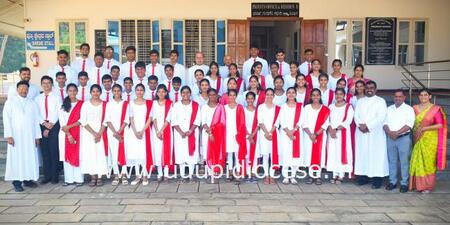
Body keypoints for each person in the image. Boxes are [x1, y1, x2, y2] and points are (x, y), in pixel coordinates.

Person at [3, 81, 41, 192]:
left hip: (29, 136)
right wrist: (9, 135)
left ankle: (27, 179)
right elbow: (6, 119)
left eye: (26, 89)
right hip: (16, 136)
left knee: (29, 157)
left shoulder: (32, 103)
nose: (24, 90)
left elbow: (36, 121)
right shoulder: (10, 102)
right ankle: (17, 182)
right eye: (21, 88)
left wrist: (37, 136)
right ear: (17, 89)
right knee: (17, 158)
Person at [409, 89, 447, 193]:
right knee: (416, 160)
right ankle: (416, 185)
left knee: (428, 163)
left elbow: (440, 124)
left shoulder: (435, 109)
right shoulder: (414, 108)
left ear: (430, 96)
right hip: (417, 137)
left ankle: (427, 186)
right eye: (421, 95)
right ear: (418, 97)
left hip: (430, 140)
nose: (423, 97)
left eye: (426, 95)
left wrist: (424, 129)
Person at [354, 81, 388, 189]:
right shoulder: (360, 101)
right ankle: (363, 177)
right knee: (362, 154)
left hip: (375, 133)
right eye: (367, 87)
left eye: (371, 87)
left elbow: (381, 117)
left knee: (375, 155)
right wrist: (360, 126)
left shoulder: (380, 101)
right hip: (361, 132)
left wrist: (368, 126)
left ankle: (377, 179)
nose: (369, 89)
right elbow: (356, 115)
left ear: (375, 89)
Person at [383, 89, 415, 193]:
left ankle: (404, 183)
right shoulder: (389, 109)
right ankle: (392, 182)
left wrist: (396, 133)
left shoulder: (409, 109)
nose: (397, 98)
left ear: (404, 97)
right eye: (396, 96)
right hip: (391, 138)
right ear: (394, 97)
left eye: (400, 96)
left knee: (404, 162)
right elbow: (384, 123)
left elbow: (409, 124)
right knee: (392, 161)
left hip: (403, 138)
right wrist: (390, 133)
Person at [79, 84, 109, 186]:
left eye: (97, 91)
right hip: (88, 133)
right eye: (93, 91)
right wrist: (94, 133)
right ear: (90, 92)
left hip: (101, 132)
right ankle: (93, 176)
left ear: (101, 92)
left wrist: (99, 133)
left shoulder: (105, 104)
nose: (95, 93)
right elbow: (83, 120)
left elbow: (106, 120)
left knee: (100, 154)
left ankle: (100, 176)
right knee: (90, 154)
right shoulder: (86, 104)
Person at [35, 76, 62, 184]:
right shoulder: (37, 98)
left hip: (54, 125)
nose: (46, 85)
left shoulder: (57, 97)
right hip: (41, 125)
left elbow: (57, 111)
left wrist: (50, 125)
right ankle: (47, 176)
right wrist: (43, 123)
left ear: (52, 84)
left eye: (48, 83)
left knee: (54, 151)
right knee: (44, 152)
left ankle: (55, 176)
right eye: (44, 83)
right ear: (41, 84)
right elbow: (36, 113)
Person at [300, 88, 330, 185]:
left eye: (317, 95)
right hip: (308, 135)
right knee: (309, 154)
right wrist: (310, 134)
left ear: (320, 96)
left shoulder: (325, 109)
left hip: (320, 135)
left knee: (319, 154)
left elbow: (326, 124)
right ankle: (310, 175)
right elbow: (303, 122)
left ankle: (317, 176)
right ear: (311, 96)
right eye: (313, 95)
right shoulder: (307, 108)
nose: (315, 97)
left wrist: (316, 134)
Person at [172, 86, 200, 182]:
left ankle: (191, 174)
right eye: (183, 92)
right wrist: (180, 132)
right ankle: (183, 175)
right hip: (179, 134)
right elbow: (173, 120)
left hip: (192, 132)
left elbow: (197, 119)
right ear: (180, 94)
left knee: (191, 154)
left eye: (187, 92)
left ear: (190, 94)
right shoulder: (176, 105)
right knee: (181, 153)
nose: (185, 94)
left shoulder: (195, 105)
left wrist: (191, 130)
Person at [326, 88, 354, 184]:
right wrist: (330, 129)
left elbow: (348, 121)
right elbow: (327, 119)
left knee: (341, 152)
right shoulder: (331, 106)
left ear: (344, 95)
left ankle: (341, 175)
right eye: (337, 94)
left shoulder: (348, 106)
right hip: (331, 133)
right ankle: (334, 174)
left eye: (340, 94)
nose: (338, 96)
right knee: (333, 152)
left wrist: (336, 129)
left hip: (342, 133)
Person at [58, 84, 84, 186]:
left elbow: (82, 119)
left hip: (79, 132)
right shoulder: (63, 106)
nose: (72, 93)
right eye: (70, 91)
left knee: (78, 154)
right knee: (67, 156)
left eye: (74, 91)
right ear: (67, 92)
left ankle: (79, 179)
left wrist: (70, 127)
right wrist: (68, 134)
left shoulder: (82, 104)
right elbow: (62, 122)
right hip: (65, 134)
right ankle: (69, 179)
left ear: (77, 91)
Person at [127, 84, 153, 185]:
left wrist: (142, 131)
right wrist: (135, 131)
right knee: (136, 153)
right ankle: (138, 175)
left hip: (144, 130)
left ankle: (145, 175)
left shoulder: (149, 103)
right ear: (135, 91)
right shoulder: (131, 103)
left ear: (144, 91)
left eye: (141, 90)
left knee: (143, 153)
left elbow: (150, 118)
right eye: (137, 90)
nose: (139, 92)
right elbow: (131, 118)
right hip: (133, 131)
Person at [104, 84, 129, 185]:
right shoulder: (109, 104)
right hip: (112, 132)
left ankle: (123, 174)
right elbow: (107, 120)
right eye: (115, 91)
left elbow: (127, 119)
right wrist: (115, 133)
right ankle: (116, 174)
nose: (117, 93)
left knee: (124, 152)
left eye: (118, 91)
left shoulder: (126, 104)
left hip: (124, 131)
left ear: (121, 92)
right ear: (112, 92)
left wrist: (120, 131)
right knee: (114, 153)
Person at [278, 87, 303, 184]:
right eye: (289, 92)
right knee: (285, 154)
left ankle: (293, 175)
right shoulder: (283, 106)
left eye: (293, 92)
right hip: (285, 134)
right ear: (286, 94)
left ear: (296, 94)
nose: (291, 94)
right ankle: (285, 176)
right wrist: (288, 132)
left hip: (296, 133)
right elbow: (281, 120)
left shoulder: (300, 106)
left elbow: (301, 119)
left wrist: (294, 130)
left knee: (295, 155)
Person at [201, 88, 226, 183]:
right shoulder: (204, 107)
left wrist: (214, 131)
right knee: (208, 154)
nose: (212, 96)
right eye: (210, 95)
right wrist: (210, 133)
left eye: (214, 95)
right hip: (207, 134)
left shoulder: (220, 107)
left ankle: (215, 173)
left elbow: (222, 122)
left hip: (218, 135)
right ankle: (209, 173)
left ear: (217, 96)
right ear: (208, 96)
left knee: (216, 153)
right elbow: (203, 122)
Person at [256, 88, 281, 184]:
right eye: (267, 94)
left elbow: (277, 123)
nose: (269, 96)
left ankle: (272, 175)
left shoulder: (278, 108)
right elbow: (260, 121)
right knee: (266, 155)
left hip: (274, 134)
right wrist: (266, 133)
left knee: (273, 155)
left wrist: (270, 133)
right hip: (263, 134)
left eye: (271, 94)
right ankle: (266, 175)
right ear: (265, 95)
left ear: (274, 96)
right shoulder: (261, 107)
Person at [224, 89, 247, 183]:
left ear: (236, 96)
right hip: (227, 133)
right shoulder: (224, 107)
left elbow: (242, 122)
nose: (232, 97)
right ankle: (229, 173)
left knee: (238, 154)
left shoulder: (240, 107)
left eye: (234, 95)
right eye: (230, 95)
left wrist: (240, 133)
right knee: (229, 153)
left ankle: (238, 172)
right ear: (227, 96)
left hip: (238, 133)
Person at [151, 84, 173, 181]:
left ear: (166, 93)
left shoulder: (170, 103)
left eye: (163, 91)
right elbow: (153, 117)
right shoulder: (154, 103)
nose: (161, 93)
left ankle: (166, 173)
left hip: (166, 129)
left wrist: (161, 130)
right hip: (155, 131)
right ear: (156, 93)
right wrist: (157, 131)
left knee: (167, 150)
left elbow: (168, 118)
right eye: (159, 91)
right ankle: (160, 173)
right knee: (157, 151)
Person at [244, 92, 258, 183]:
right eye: (248, 98)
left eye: (252, 98)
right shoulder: (243, 110)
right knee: (247, 155)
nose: (250, 100)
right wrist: (248, 135)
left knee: (255, 155)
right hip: (246, 134)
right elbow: (242, 123)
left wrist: (252, 135)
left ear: (254, 99)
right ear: (246, 100)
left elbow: (259, 123)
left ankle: (253, 173)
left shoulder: (257, 110)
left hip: (255, 134)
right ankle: (247, 173)